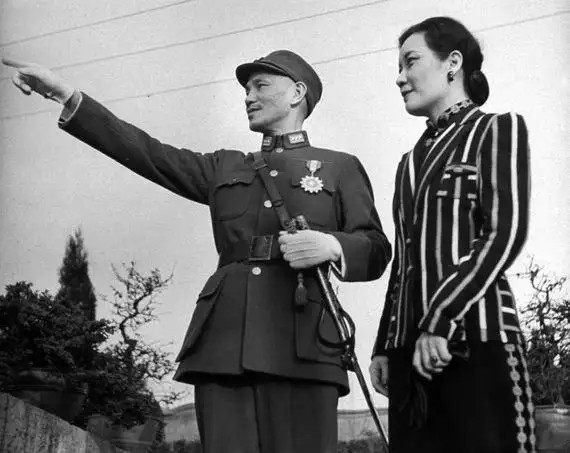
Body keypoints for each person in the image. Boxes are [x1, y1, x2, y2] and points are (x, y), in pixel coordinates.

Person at [3, 50, 391, 452]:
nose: (248, 96)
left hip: (303, 345)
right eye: (246, 89)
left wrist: (330, 245)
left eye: (260, 86)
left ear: (297, 93)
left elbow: (376, 247)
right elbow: (149, 153)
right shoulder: (225, 166)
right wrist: (66, 95)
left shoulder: (339, 167)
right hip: (223, 346)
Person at [369, 17, 535, 453]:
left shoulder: (495, 129)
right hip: (409, 356)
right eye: (398, 67)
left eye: (410, 62)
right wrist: (385, 345)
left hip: (477, 342)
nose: (400, 77)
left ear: (453, 63)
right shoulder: (407, 163)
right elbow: (405, 262)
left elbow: (504, 233)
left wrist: (440, 319)